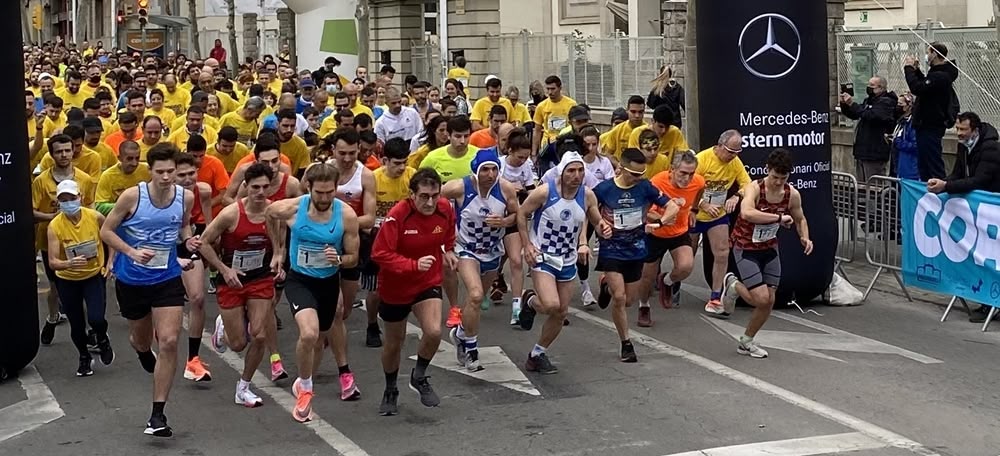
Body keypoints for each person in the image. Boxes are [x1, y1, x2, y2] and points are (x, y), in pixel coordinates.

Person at [100, 144, 202, 437]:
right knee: (142, 339)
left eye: (171, 171)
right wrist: (131, 252)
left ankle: (157, 415)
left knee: (169, 341)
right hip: (132, 280)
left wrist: (188, 241)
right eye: (161, 172)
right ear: (150, 171)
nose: (168, 177)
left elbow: (184, 228)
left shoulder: (185, 197)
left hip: (166, 277)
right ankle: (143, 350)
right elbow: (106, 231)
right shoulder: (133, 196)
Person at [264, 163, 360, 423]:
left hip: (328, 282)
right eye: (319, 192)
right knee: (309, 333)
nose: (325, 198)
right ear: (309, 188)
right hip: (300, 280)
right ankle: (305, 387)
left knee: (318, 341)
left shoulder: (346, 215)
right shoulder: (295, 208)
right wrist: (278, 250)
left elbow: (354, 257)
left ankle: (303, 381)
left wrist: (339, 258)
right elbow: (270, 213)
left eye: (330, 192)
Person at [371, 168, 458, 415]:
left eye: (434, 195)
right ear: (412, 195)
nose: (430, 202)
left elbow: (448, 234)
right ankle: (390, 389)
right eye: (424, 196)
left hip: (426, 281)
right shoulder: (398, 215)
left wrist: (449, 251)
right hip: (395, 286)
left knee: (433, 331)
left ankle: (419, 376)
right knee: (393, 344)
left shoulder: (445, 209)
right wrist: (411, 265)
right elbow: (379, 254)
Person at [516, 152, 610, 374]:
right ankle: (530, 301)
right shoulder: (545, 191)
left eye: (580, 171)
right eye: (571, 171)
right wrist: (527, 245)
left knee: (561, 312)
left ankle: (537, 354)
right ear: (561, 172)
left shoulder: (587, 196)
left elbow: (595, 218)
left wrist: (602, 227)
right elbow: (522, 214)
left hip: (567, 258)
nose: (576, 176)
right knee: (550, 305)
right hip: (543, 255)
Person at [720, 148, 812, 359]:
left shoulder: (791, 194)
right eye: (774, 177)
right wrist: (778, 219)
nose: (778, 182)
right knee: (760, 299)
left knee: (769, 300)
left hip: (769, 248)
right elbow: (747, 212)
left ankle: (746, 341)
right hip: (745, 247)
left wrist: (805, 237)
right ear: (766, 170)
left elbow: (800, 219)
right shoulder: (754, 188)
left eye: (783, 178)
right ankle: (733, 285)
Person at [202, 163, 279, 407]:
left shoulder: (273, 212)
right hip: (232, 280)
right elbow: (204, 242)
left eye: (265, 187)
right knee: (238, 344)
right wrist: (224, 269)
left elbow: (281, 242)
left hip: (260, 278)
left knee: (259, 335)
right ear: (246, 186)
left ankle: (243, 387)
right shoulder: (231, 214)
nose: (261, 192)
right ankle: (223, 326)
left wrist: (279, 257)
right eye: (255, 187)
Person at [592, 148, 675, 362]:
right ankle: (626, 344)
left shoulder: (645, 187)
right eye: (634, 174)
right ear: (621, 168)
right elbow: (587, 213)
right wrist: (596, 228)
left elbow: (672, 206)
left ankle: (605, 285)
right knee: (619, 298)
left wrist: (659, 223)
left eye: (642, 174)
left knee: (629, 300)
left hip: (636, 250)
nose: (639, 178)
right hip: (611, 249)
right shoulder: (604, 189)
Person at [443, 149, 519, 372]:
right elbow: (432, 202)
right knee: (475, 295)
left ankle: (460, 334)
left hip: (493, 251)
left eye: (494, 169)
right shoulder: (459, 188)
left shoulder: (505, 189)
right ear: (475, 172)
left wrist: (505, 222)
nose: (490, 174)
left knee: (475, 302)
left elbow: (518, 214)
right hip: (466, 249)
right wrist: (447, 231)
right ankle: (472, 351)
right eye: (485, 169)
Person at [46, 180, 114, 377]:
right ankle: (84, 357)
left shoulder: (95, 217)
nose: (68, 203)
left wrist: (110, 263)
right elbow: (52, 261)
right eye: (64, 200)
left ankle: (102, 337)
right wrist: (68, 264)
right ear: (58, 203)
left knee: (96, 318)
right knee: (76, 324)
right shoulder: (55, 226)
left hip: (92, 276)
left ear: (80, 198)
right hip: (67, 280)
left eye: (72, 198)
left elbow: (110, 239)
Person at [638, 150, 704, 323]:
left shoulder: (698, 182)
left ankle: (666, 282)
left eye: (691, 174)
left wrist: (694, 210)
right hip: (655, 233)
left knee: (686, 266)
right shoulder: (657, 182)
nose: (687, 178)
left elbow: (700, 190)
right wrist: (662, 219)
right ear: (672, 170)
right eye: (683, 173)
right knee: (647, 277)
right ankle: (643, 306)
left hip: (679, 232)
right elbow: (644, 212)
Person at [365, 138, 418, 347]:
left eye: (404, 162)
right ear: (384, 160)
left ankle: (398, 322)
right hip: (378, 236)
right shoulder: (373, 178)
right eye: (396, 163)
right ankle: (371, 324)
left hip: (405, 237)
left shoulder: (412, 176)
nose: (401, 167)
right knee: (376, 289)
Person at [692, 130, 751, 317]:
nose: (733, 156)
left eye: (737, 152)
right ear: (719, 146)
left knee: (723, 253)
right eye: (730, 151)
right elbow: (687, 186)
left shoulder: (735, 162)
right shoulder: (703, 159)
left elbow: (748, 185)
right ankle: (671, 282)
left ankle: (715, 297)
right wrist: (703, 204)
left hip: (717, 215)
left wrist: (735, 196)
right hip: (694, 213)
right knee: (686, 260)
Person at [904, 42, 959, 181]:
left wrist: (908, 69)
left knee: (932, 163)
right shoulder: (935, 74)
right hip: (925, 124)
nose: (926, 56)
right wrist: (916, 71)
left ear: (934, 54)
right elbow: (925, 85)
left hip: (931, 124)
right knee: (924, 164)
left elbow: (917, 87)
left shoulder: (942, 75)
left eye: (928, 52)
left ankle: (938, 191)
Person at [839, 76, 898, 183]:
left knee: (874, 185)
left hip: (875, 151)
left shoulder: (887, 102)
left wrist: (852, 104)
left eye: (872, 85)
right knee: (861, 185)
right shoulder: (868, 100)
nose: (868, 87)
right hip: (862, 150)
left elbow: (871, 115)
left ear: (881, 88)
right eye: (868, 84)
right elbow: (856, 114)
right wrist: (845, 105)